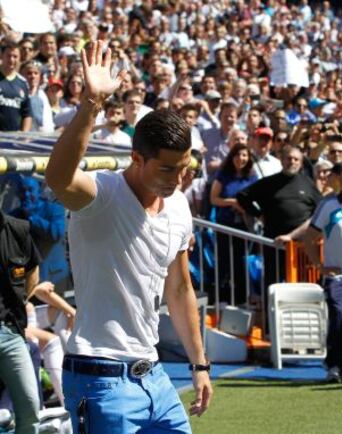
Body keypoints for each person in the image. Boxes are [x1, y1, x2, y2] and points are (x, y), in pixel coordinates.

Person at [45, 40, 212, 433]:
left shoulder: (179, 206)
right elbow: (58, 177)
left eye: (185, 168)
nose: (179, 179)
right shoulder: (102, 194)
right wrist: (91, 104)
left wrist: (200, 364)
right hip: (99, 376)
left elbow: (181, 288)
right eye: (168, 169)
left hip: (154, 375)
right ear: (137, 158)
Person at [236, 145, 322, 290]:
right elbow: (242, 196)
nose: (292, 162)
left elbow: (319, 211)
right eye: (289, 158)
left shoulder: (308, 183)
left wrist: (294, 235)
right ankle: (270, 312)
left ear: (301, 163)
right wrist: (259, 214)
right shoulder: (269, 182)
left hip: (302, 246)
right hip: (274, 243)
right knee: (272, 284)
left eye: (296, 159)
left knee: (304, 285)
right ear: (281, 160)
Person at [304, 163, 342, 383]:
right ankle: (334, 365)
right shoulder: (328, 205)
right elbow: (309, 238)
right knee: (338, 318)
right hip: (338, 278)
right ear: (339, 180)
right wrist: (320, 266)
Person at [0, 210, 40, 433]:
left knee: (30, 408)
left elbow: (33, 269)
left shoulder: (16, 229)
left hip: (10, 331)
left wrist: (22, 300)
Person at [210, 143, 258, 304]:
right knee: (224, 262)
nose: (241, 158)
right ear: (232, 157)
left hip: (244, 226)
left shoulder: (252, 176)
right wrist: (232, 203)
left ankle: (241, 298)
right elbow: (213, 198)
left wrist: (246, 208)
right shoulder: (223, 175)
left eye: (244, 155)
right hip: (225, 225)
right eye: (238, 155)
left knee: (241, 262)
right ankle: (221, 298)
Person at [0, 41, 32, 132]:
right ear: (1, 56)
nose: (12, 59)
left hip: (13, 139)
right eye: (9, 56)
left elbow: (27, 114)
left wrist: (24, 136)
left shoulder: (23, 83)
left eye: (15, 56)